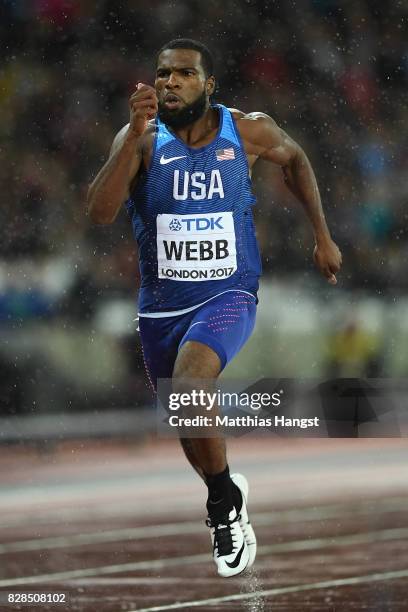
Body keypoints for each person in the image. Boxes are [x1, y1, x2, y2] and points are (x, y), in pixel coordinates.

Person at [87, 38, 342, 578]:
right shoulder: (141, 140)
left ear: (209, 85)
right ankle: (225, 492)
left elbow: (294, 158)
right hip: (160, 308)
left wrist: (322, 235)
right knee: (187, 418)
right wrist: (130, 139)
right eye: (162, 73)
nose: (169, 82)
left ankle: (221, 508)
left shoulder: (246, 130)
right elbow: (100, 212)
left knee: (192, 382)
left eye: (183, 74)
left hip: (228, 294)